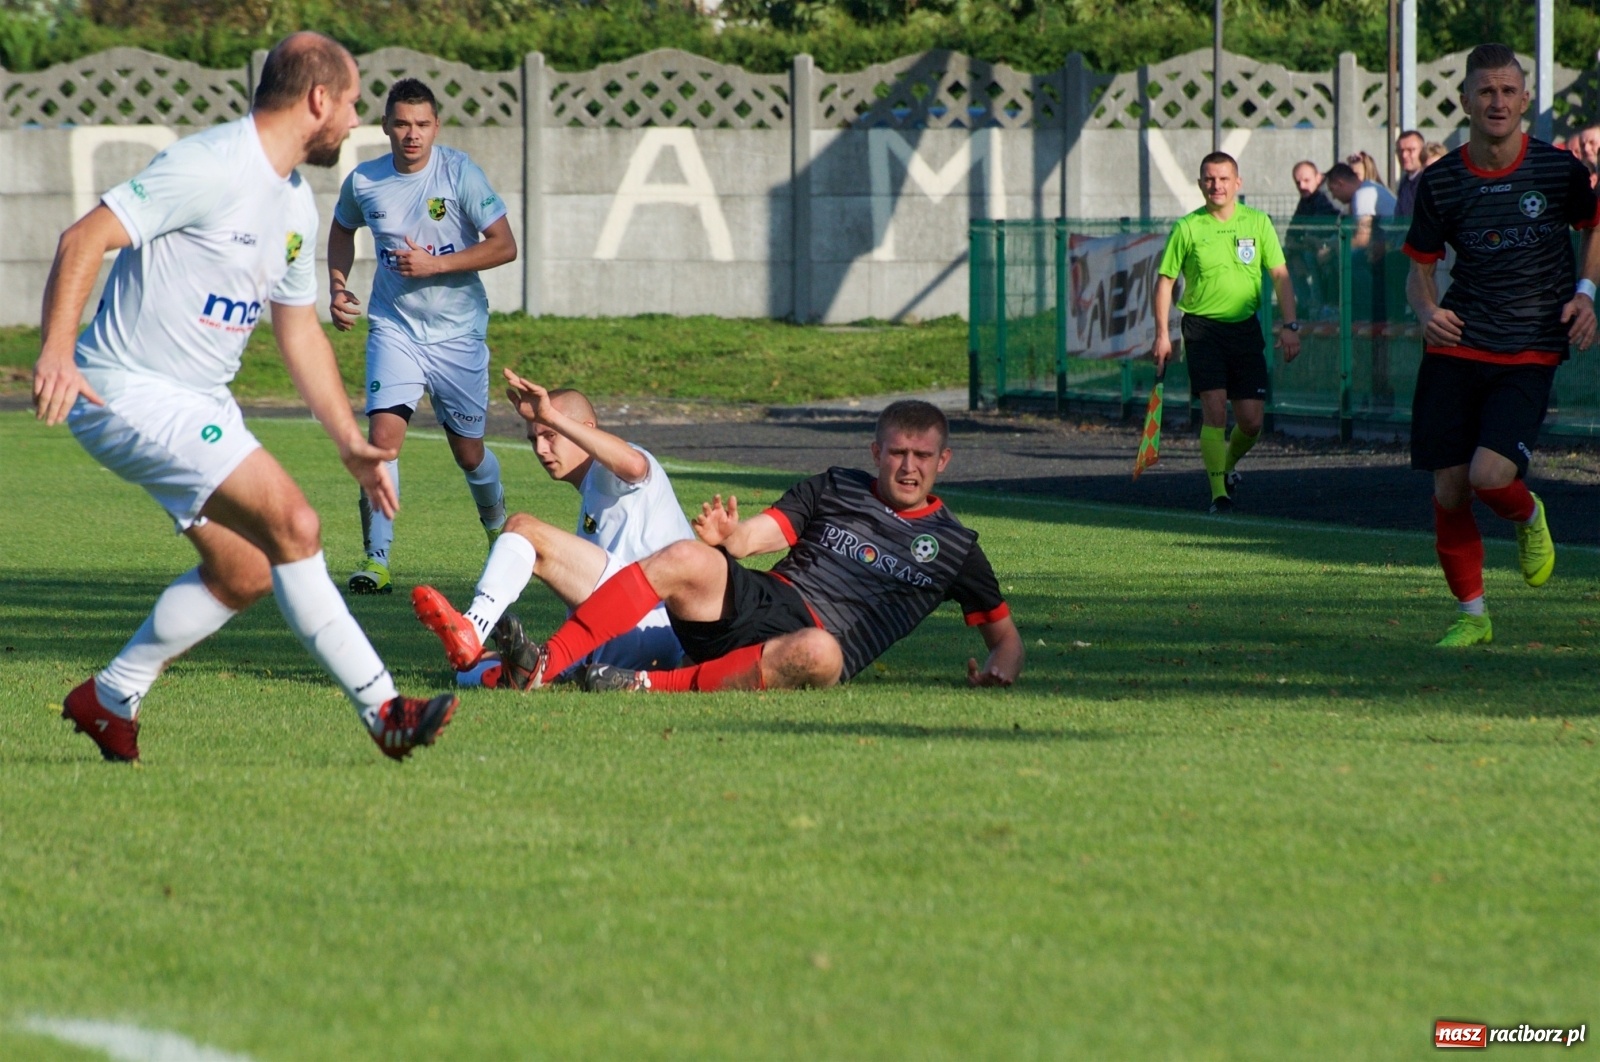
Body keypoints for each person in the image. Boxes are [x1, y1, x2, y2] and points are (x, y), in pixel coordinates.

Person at [31, 32, 456, 763]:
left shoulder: (293, 205)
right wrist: (57, 352)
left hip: (200, 401)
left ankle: (109, 697)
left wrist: (349, 442)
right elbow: (83, 238)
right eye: (352, 102)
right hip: (128, 389)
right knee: (295, 521)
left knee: (246, 570)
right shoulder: (209, 164)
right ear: (318, 98)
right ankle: (384, 709)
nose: (356, 121)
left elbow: (299, 334)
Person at [433, 400, 1024, 694]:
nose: (909, 466)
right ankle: (547, 665)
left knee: (820, 652)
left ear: (942, 461)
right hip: (764, 600)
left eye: (922, 457)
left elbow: (1006, 639)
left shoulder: (954, 548)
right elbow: (756, 538)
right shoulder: (836, 487)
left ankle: (636, 687)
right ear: (876, 452)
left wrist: (999, 673)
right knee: (692, 557)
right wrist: (727, 539)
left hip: (814, 642)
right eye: (897, 452)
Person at [1402, 42, 1600, 647]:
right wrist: (1429, 313)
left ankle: (1529, 513)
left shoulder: (1559, 170)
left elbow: (1595, 226)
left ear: (1524, 100)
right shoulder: (1441, 182)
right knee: (1449, 488)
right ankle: (1473, 616)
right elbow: (1420, 269)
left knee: (1491, 477)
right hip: (1457, 347)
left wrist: (1586, 293)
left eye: (1508, 91)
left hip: (1530, 346)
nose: (1497, 101)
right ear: (1464, 100)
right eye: (1485, 91)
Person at [328, 78, 518, 596]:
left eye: (422, 124)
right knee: (381, 445)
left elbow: (504, 246)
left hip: (457, 332)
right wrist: (338, 286)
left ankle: (499, 533)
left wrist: (437, 266)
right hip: (395, 327)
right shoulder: (364, 181)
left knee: (469, 453)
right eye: (402, 124)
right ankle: (377, 560)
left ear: (436, 127)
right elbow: (343, 227)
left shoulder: (460, 173)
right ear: (387, 126)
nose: (412, 135)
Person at [411, 369, 694, 685]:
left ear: (583, 429)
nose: (541, 450)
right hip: (626, 638)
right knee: (471, 671)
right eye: (534, 439)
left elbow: (636, 466)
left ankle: (473, 626)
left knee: (522, 528)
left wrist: (552, 416)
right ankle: (532, 672)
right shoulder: (593, 491)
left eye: (551, 435)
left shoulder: (610, 468)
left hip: (651, 623)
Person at [1153, 152, 1301, 514]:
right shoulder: (1188, 227)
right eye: (1209, 179)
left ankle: (1228, 464)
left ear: (1238, 183)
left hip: (1245, 329)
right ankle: (1219, 493)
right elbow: (1165, 282)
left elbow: (1280, 276)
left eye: (1222, 179)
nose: (1215, 185)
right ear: (1200, 182)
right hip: (1202, 329)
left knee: (1251, 422)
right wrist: (1161, 333)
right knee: (1215, 410)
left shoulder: (1258, 223)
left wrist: (1291, 325)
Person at [1327, 160, 1400, 403]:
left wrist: (1333, 251)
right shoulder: (1369, 189)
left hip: (1389, 265)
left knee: (1350, 263)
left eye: (1334, 191)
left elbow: (1362, 237)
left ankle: (1351, 310)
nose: (1335, 199)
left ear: (1340, 182)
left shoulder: (1364, 194)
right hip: (1386, 264)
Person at [1287, 160, 1341, 312]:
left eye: (1306, 180)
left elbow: (1316, 235)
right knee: (1285, 258)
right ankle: (1307, 307)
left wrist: (1303, 244)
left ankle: (1322, 309)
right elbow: (1292, 234)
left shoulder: (1326, 197)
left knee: (1313, 256)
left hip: (1330, 247)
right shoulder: (1306, 199)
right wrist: (1295, 253)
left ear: (1318, 178)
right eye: (1298, 182)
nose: (1302, 186)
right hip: (1313, 248)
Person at [1394, 130, 1427, 215]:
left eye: (1410, 150)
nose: (1404, 155)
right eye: (1400, 150)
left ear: (1422, 151)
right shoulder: (1404, 182)